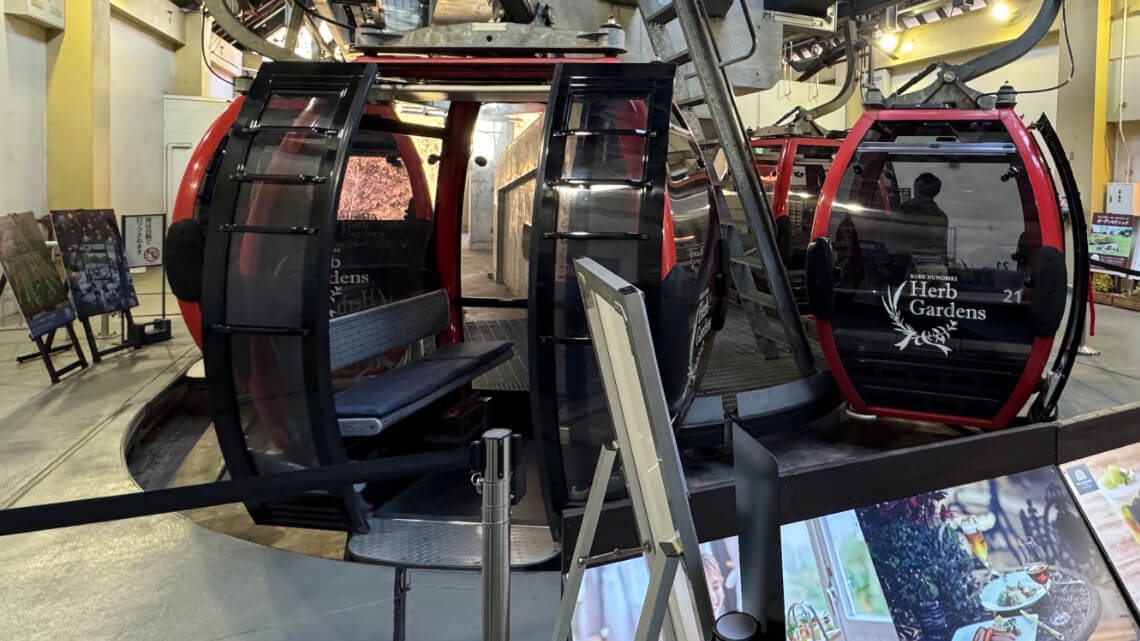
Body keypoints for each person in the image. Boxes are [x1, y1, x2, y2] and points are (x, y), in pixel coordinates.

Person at [898, 172, 950, 268]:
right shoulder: (941, 215)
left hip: (913, 265)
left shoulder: (909, 207)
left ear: (919, 187)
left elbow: (896, 237)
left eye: (914, 186)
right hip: (937, 266)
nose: (914, 189)